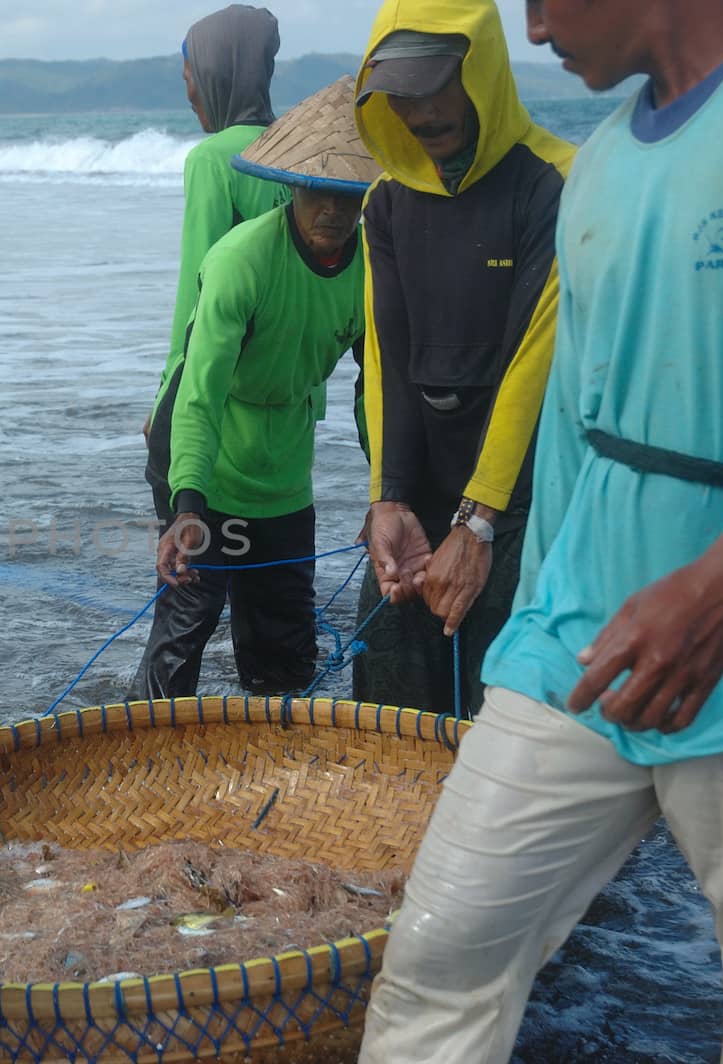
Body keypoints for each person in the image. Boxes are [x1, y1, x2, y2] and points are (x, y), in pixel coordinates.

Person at [359, 0, 723, 1059]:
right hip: (575, 647)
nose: (529, 32)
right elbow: (573, 423)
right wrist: (526, 617)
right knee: (437, 954)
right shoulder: (601, 165)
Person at [350, 0, 573, 718]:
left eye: (439, 84)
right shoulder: (384, 203)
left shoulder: (553, 183)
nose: (421, 112)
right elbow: (388, 356)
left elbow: (533, 362)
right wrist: (390, 498)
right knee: (388, 714)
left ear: (483, 70)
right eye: (402, 93)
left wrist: (477, 523)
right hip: (423, 494)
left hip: (524, 499)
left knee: (507, 718)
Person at [130, 77, 374, 700]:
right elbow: (200, 393)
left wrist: (389, 492)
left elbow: (377, 387)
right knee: (186, 628)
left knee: (285, 653)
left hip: (283, 466)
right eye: (318, 191)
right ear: (292, 183)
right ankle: (145, 767)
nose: (333, 212)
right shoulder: (242, 260)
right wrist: (187, 506)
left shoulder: (375, 266)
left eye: (349, 196)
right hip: (200, 453)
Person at [148, 5, 330, 440]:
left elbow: (198, 291)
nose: (189, 94)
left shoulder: (214, 159)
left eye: (188, 77)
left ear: (215, 75)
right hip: (296, 391)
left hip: (224, 392)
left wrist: (168, 394)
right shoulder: (302, 154)